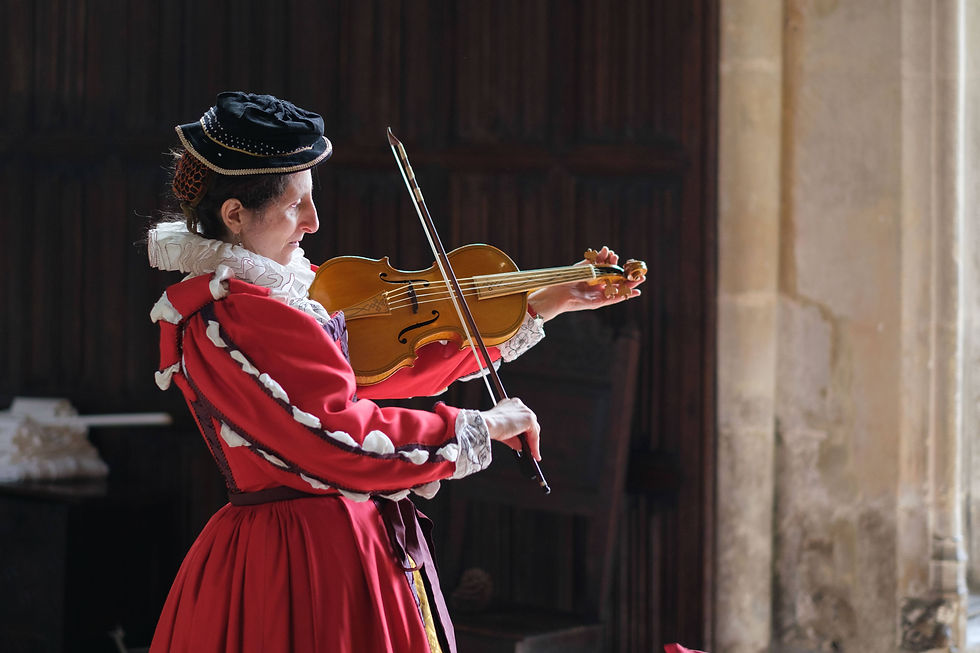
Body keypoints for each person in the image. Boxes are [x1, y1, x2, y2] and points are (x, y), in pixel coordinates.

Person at [146, 91, 643, 653]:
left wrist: (539, 304)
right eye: (294, 206)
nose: (313, 222)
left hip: (343, 545)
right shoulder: (230, 316)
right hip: (297, 563)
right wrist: (474, 428)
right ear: (235, 213)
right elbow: (340, 439)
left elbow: (385, 371)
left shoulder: (276, 298)